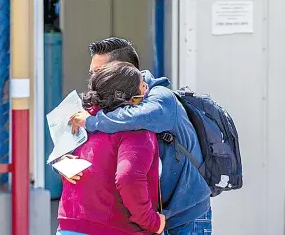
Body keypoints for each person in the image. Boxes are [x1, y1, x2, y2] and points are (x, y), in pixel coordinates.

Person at [69, 37, 213, 235]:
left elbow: (139, 117)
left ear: (124, 68)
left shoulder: (160, 97)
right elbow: (78, 149)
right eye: (92, 73)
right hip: (149, 217)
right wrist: (64, 164)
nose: (93, 80)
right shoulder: (107, 110)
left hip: (185, 215)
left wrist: (91, 121)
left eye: (99, 72)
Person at [57, 61, 166, 235]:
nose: (147, 88)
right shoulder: (136, 129)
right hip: (114, 227)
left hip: (68, 225)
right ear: (130, 97)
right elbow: (128, 178)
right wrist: (152, 222)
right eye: (142, 85)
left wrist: (61, 162)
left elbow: (62, 160)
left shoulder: (82, 119)